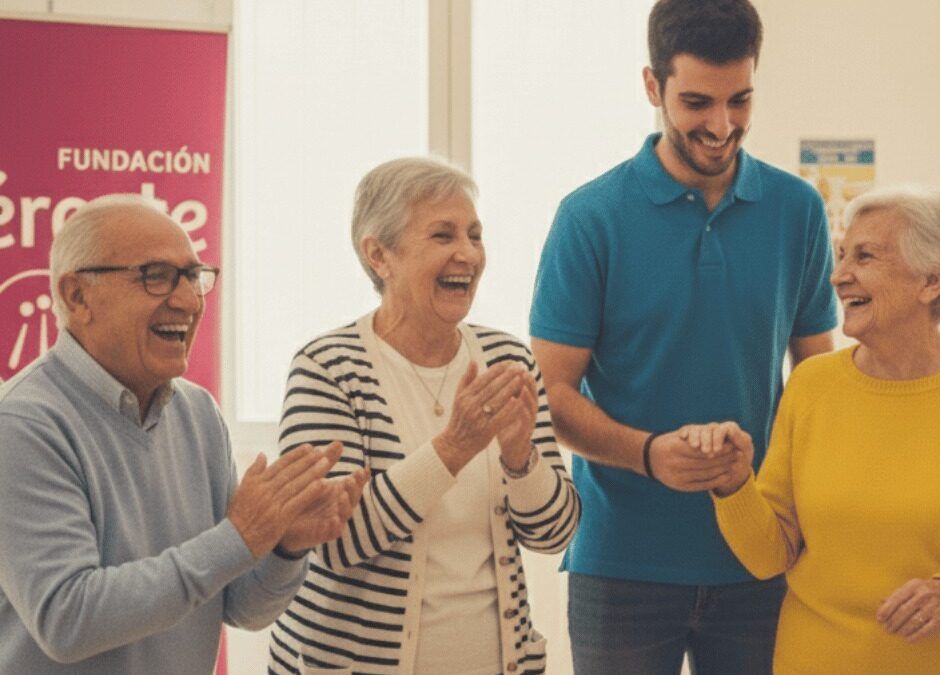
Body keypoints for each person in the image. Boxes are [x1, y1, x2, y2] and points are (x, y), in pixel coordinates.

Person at [529, 0, 838, 672]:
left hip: (761, 558)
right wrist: (647, 454)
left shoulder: (798, 211)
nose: (723, 126)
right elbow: (550, 393)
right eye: (697, 102)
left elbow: (819, 385)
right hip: (621, 565)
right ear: (652, 86)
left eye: (741, 100)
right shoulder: (589, 218)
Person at [0, 194, 367, 674]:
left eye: (194, 276)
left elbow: (240, 607)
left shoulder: (198, 413)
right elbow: (69, 619)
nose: (189, 299)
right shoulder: (24, 424)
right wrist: (239, 537)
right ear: (77, 297)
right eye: (155, 276)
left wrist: (282, 546)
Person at [267, 157, 581, 675]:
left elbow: (556, 534)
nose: (468, 253)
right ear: (379, 255)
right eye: (443, 235)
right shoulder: (326, 367)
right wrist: (454, 447)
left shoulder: (507, 359)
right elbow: (335, 540)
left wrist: (521, 458)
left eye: (475, 234)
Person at [698, 185, 940, 674]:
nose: (839, 275)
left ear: (931, 280)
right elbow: (771, 554)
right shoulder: (813, 384)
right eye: (842, 255)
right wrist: (732, 483)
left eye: (865, 256)